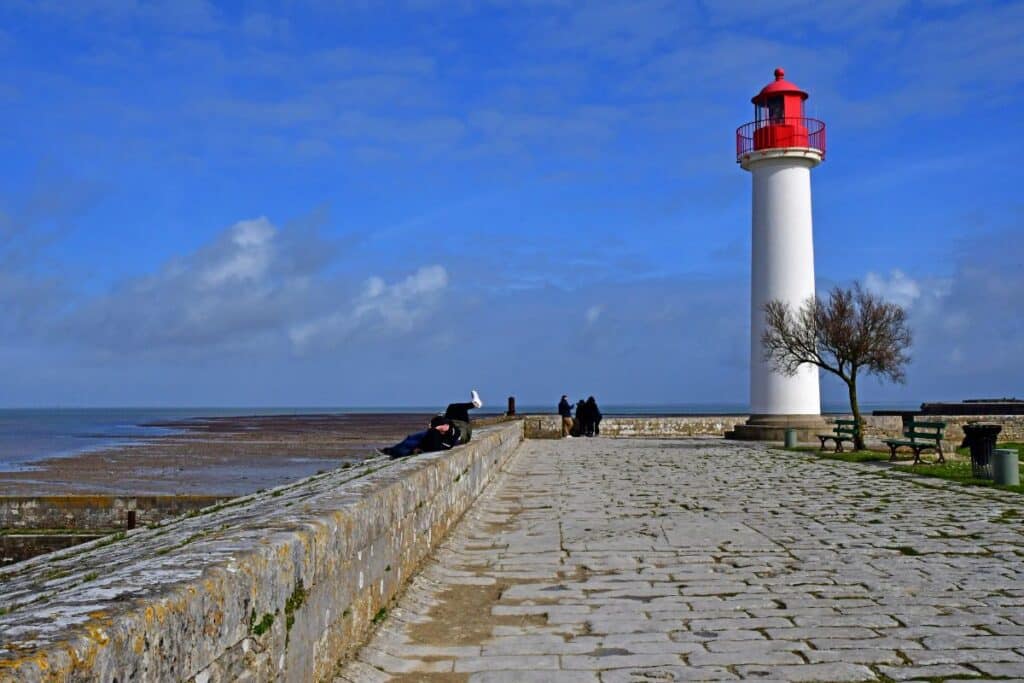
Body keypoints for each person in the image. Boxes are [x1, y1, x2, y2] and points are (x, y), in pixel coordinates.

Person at [380, 390, 483, 458]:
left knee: (412, 440)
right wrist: (439, 426)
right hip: (462, 430)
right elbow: (447, 429)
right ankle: (474, 404)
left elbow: (441, 431)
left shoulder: (438, 438)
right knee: (453, 407)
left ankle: (391, 451)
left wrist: (437, 427)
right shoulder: (450, 435)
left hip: (450, 428)